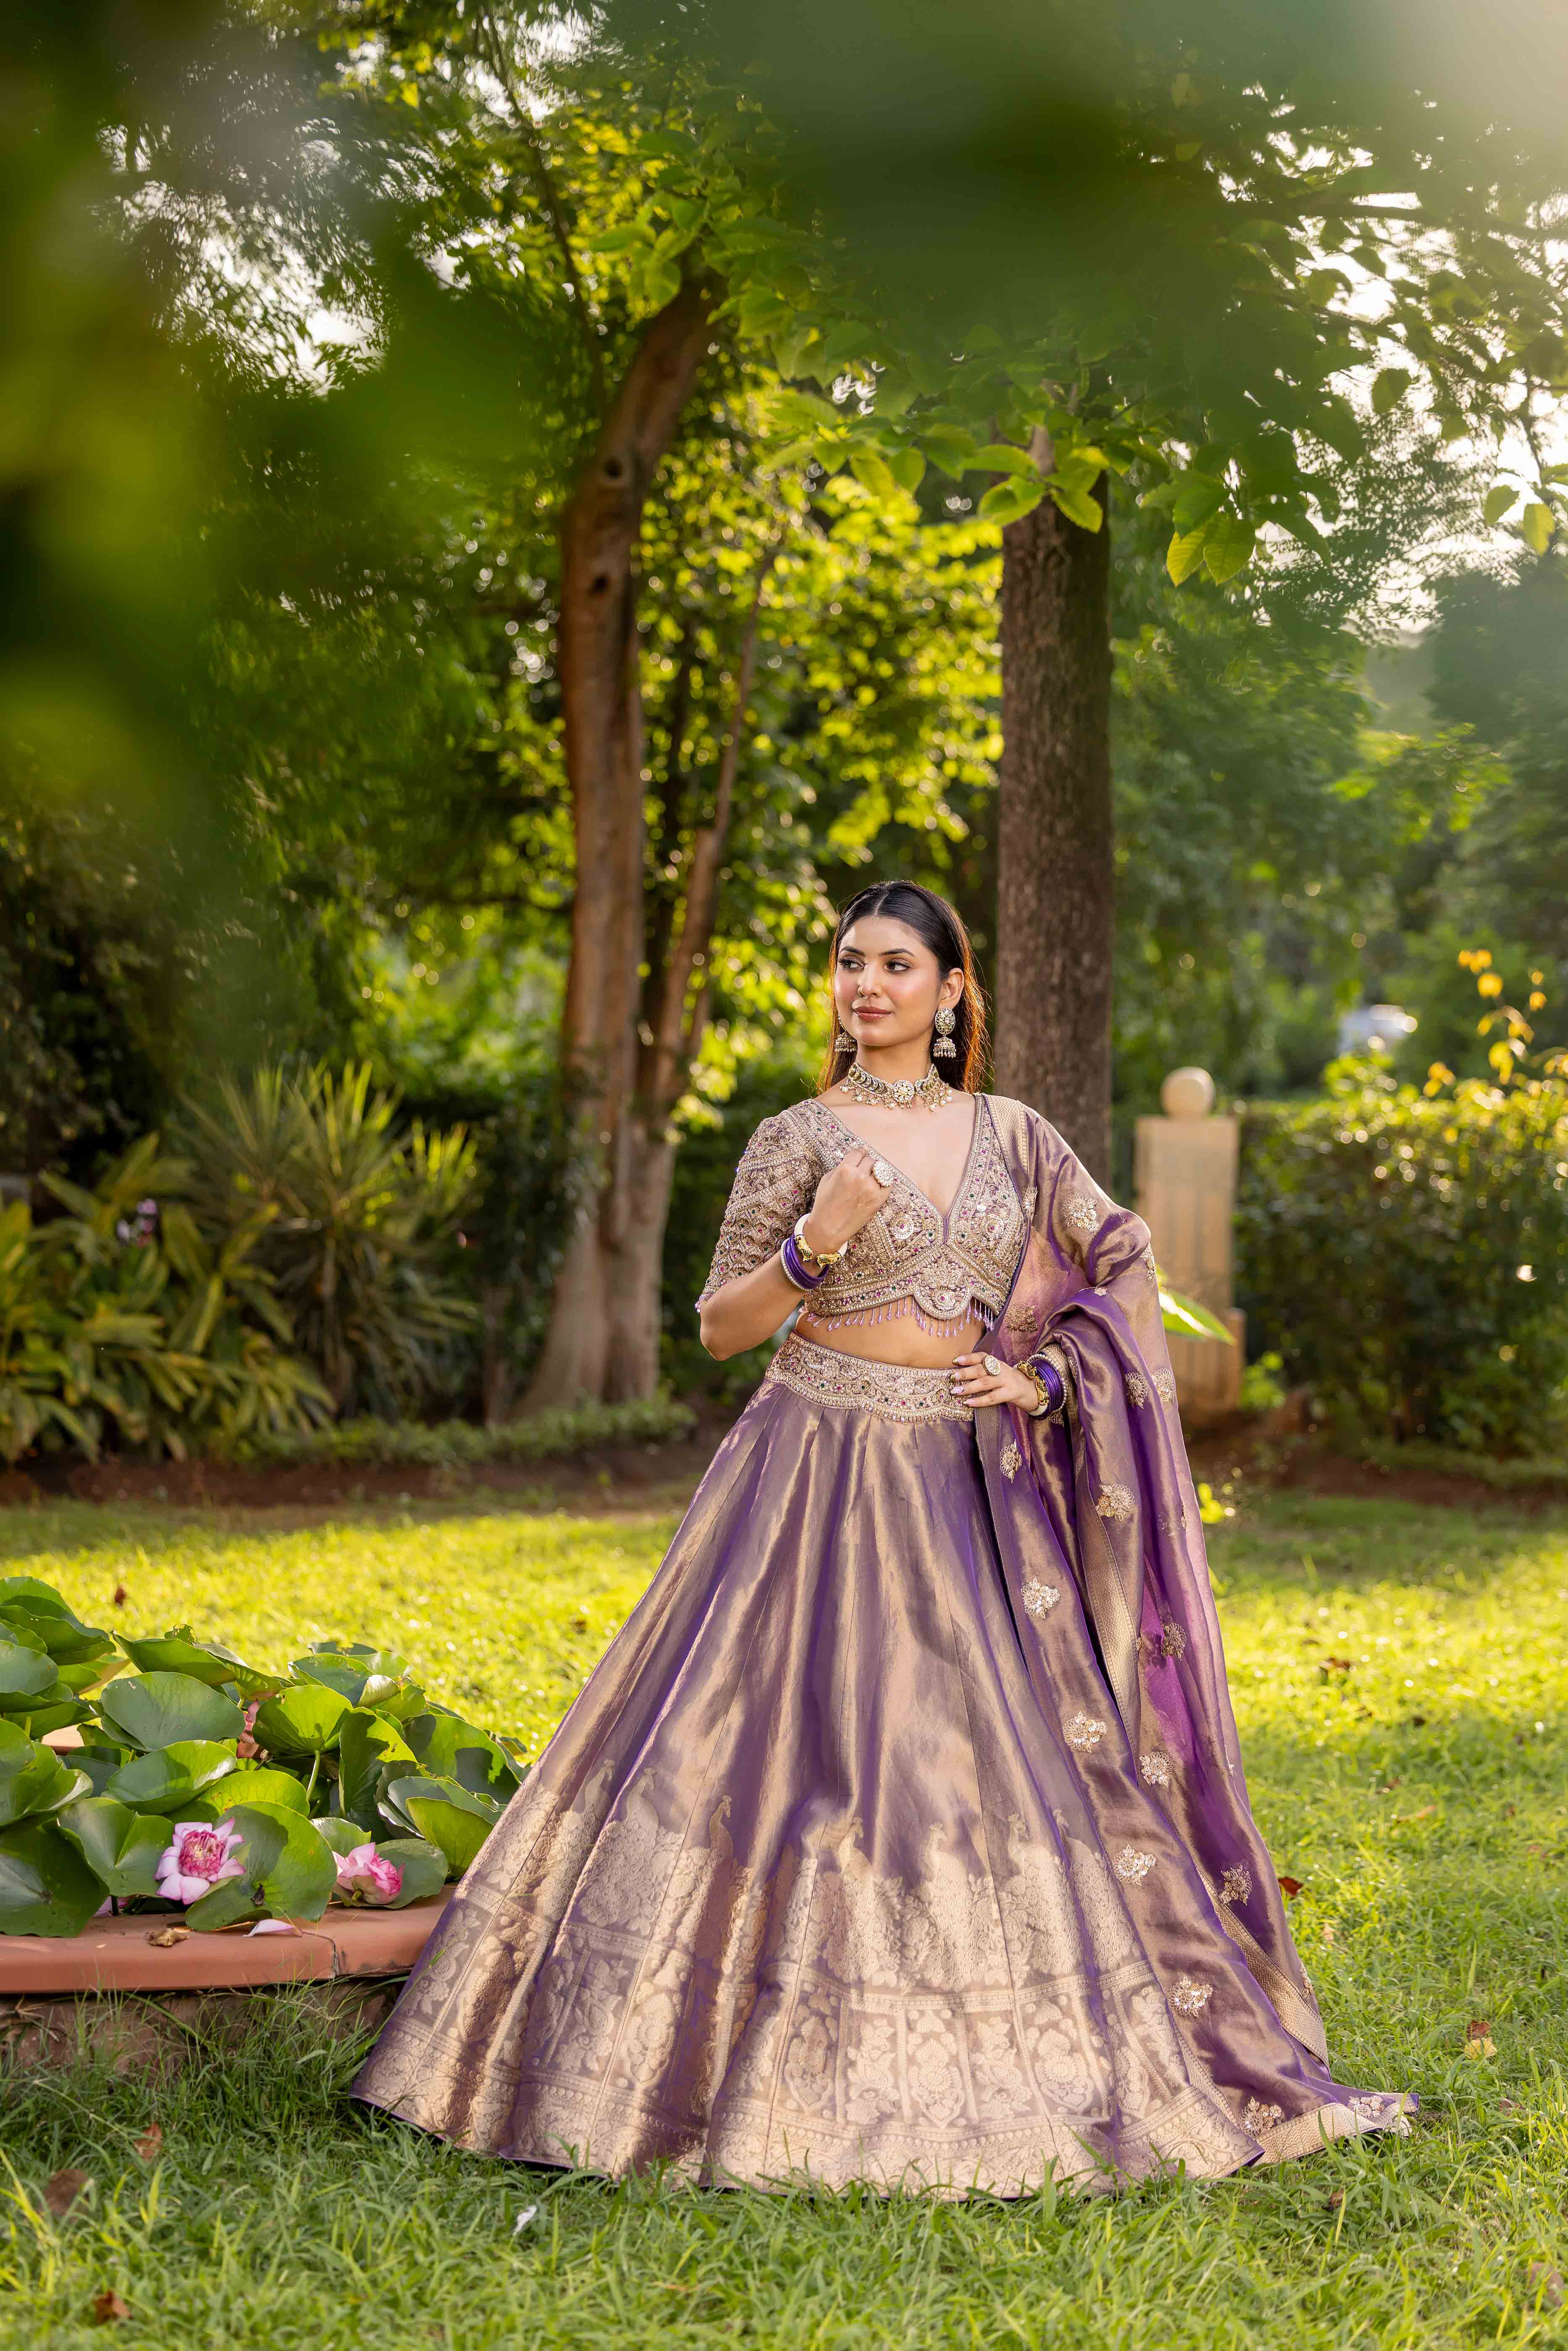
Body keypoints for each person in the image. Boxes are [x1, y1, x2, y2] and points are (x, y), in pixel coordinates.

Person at [353, 880, 1411, 2195]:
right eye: (850, 961)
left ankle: (1009, 2065)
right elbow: (721, 1326)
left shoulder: (1017, 1136)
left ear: (954, 988)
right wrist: (816, 1242)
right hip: (808, 1476)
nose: (866, 984)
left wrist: (1046, 1378)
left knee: (978, 1768)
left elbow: (1123, 1261)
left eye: (897, 964)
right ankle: (680, 2071)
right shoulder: (798, 1136)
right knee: (780, 1763)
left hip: (967, 1491)